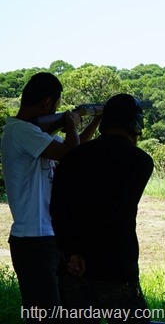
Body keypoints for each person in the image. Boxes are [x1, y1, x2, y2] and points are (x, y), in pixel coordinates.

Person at [1, 72, 101, 321]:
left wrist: (93, 121)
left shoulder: (32, 133)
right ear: (47, 104)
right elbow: (69, 152)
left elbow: (76, 150)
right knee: (45, 316)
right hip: (33, 240)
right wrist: (70, 123)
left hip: (46, 237)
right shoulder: (20, 131)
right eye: (56, 106)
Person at [50, 93, 154, 323]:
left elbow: (58, 208)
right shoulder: (141, 162)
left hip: (73, 266)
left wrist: (72, 251)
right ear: (135, 124)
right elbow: (115, 210)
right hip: (116, 263)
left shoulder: (73, 157)